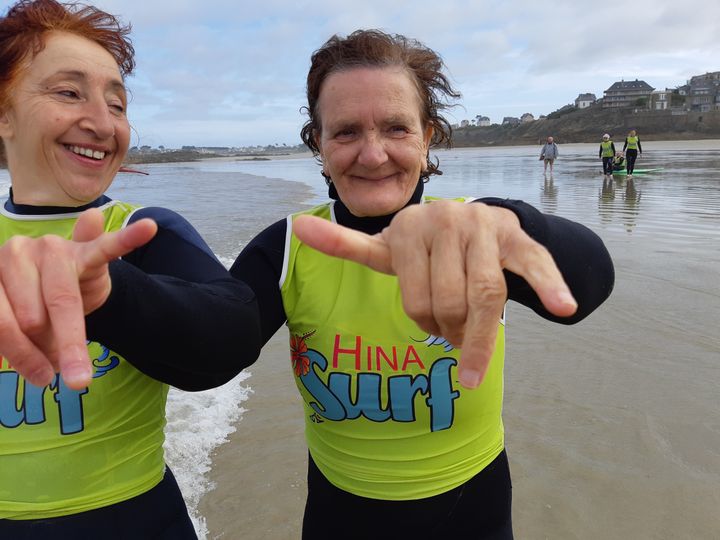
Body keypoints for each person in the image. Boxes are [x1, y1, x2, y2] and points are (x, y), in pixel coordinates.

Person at [232, 29, 615, 539]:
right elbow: (209, 352)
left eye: (396, 128)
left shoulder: (474, 233)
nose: (372, 155)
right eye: (345, 132)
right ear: (317, 144)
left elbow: (589, 288)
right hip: (339, 511)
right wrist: (116, 293)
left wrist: (510, 220)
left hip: (472, 508)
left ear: (427, 136)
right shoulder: (289, 247)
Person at [0, 1, 261, 537]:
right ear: (4, 114)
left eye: (116, 104)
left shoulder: (141, 232)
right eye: (69, 93)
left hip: (135, 518)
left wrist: (109, 293)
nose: (101, 123)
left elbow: (233, 332)